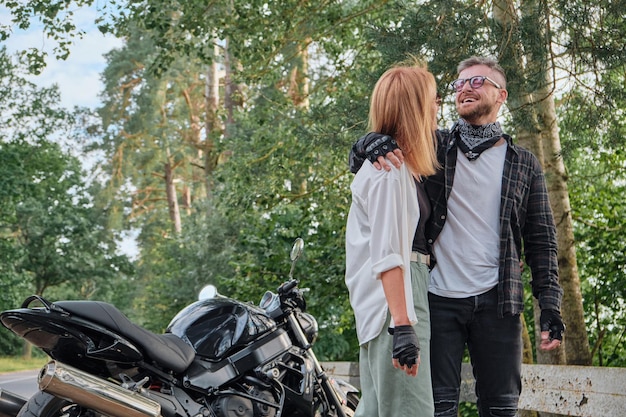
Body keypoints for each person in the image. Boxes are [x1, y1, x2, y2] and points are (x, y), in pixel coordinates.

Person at [350, 56, 566, 417]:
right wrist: (366, 144)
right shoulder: (431, 147)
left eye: (477, 81)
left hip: (499, 300)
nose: (464, 87)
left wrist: (551, 306)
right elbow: (387, 149)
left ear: (501, 95)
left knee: (502, 407)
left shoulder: (524, 163)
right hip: (437, 297)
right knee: (436, 407)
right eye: (458, 83)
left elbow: (542, 241)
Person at [345, 59, 440, 417]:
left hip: (385, 302)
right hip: (398, 299)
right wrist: (403, 325)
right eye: (432, 100)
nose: (437, 109)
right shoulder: (390, 171)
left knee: (377, 409)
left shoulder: (388, 166)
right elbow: (387, 254)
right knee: (408, 410)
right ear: (415, 108)